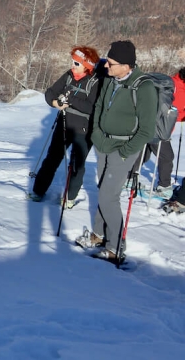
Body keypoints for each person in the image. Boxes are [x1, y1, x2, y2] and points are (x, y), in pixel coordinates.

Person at [77, 41, 156, 262]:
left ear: (126, 65)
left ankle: (115, 246)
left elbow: (147, 130)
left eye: (111, 64)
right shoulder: (111, 81)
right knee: (104, 190)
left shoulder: (144, 87)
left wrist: (125, 152)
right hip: (103, 144)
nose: (107, 67)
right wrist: (97, 135)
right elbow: (100, 107)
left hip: (124, 149)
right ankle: (99, 234)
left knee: (108, 196)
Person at [30, 46, 102, 206]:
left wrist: (69, 100)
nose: (73, 66)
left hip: (83, 129)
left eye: (77, 63)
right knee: (52, 158)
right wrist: (55, 102)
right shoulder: (69, 76)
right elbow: (50, 92)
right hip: (63, 123)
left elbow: (91, 107)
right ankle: (38, 191)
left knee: (77, 164)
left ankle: (69, 197)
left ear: (87, 65)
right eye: (73, 62)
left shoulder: (95, 82)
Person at [137, 66, 185, 199]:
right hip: (158, 127)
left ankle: (128, 177)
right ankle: (164, 187)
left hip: (161, 127)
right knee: (166, 156)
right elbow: (170, 110)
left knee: (144, 154)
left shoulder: (176, 84)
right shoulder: (174, 86)